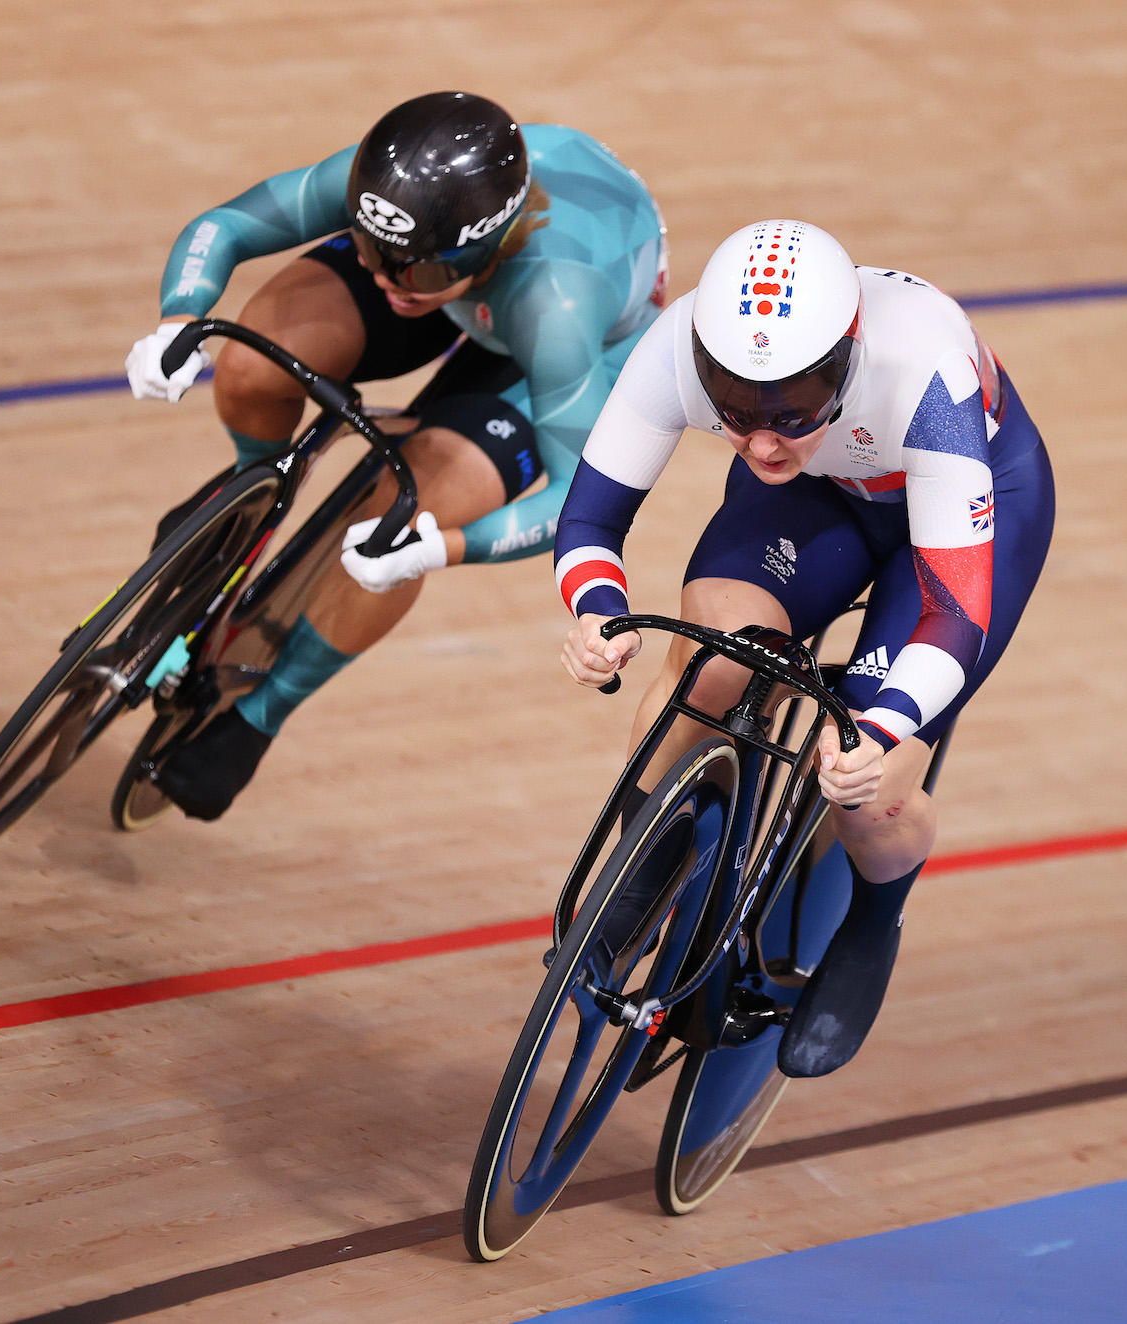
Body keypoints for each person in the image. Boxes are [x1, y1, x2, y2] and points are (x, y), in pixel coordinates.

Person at [553, 220, 1055, 1078]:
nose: (757, 444)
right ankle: (645, 860)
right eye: (735, 416)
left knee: (868, 783)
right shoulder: (684, 345)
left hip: (966, 511)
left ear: (845, 363)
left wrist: (889, 723)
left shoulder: (920, 369)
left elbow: (955, 616)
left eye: (790, 413)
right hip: (819, 496)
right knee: (710, 664)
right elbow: (593, 518)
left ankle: (873, 918)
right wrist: (600, 613)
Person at [122, 91, 669, 821]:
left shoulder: (558, 303)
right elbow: (222, 226)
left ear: (484, 249)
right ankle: (245, 506)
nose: (387, 279)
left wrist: (438, 548)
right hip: (465, 284)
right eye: (373, 251)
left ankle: (260, 717)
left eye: (417, 271)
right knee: (256, 363)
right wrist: (178, 318)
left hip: (565, 339)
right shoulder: (392, 193)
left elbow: (580, 505)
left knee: (408, 508)